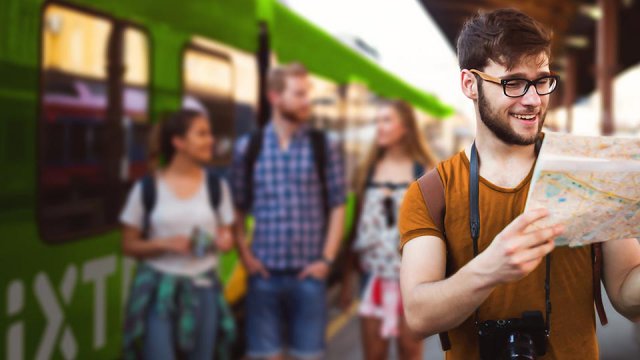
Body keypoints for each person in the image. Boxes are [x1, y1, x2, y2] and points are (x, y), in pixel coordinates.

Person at [398, 9, 640, 360]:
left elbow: (626, 295)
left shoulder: (588, 172)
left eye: (542, 80)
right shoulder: (432, 193)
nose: (533, 100)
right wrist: (490, 269)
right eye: (513, 82)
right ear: (470, 84)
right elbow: (418, 315)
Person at [230, 62, 346, 360]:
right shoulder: (249, 147)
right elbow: (237, 206)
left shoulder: (324, 146)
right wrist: (244, 254)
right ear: (274, 97)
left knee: (308, 356)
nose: (306, 101)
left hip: (309, 277)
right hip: (263, 277)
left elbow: (337, 204)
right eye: (298, 94)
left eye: (307, 93)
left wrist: (327, 259)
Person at [119, 109, 235, 360]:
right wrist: (163, 244)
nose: (211, 140)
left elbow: (227, 236)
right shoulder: (147, 188)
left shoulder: (217, 187)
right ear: (178, 142)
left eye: (210, 133)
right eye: (202, 134)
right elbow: (128, 245)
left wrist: (224, 241)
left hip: (203, 288)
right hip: (159, 290)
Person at [340, 99, 436, 360]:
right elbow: (355, 229)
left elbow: (437, 231)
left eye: (386, 121)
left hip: (412, 282)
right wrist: (346, 280)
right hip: (372, 279)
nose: (379, 128)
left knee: (409, 351)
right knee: (375, 354)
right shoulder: (368, 171)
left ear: (404, 128)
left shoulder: (424, 172)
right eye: (377, 121)